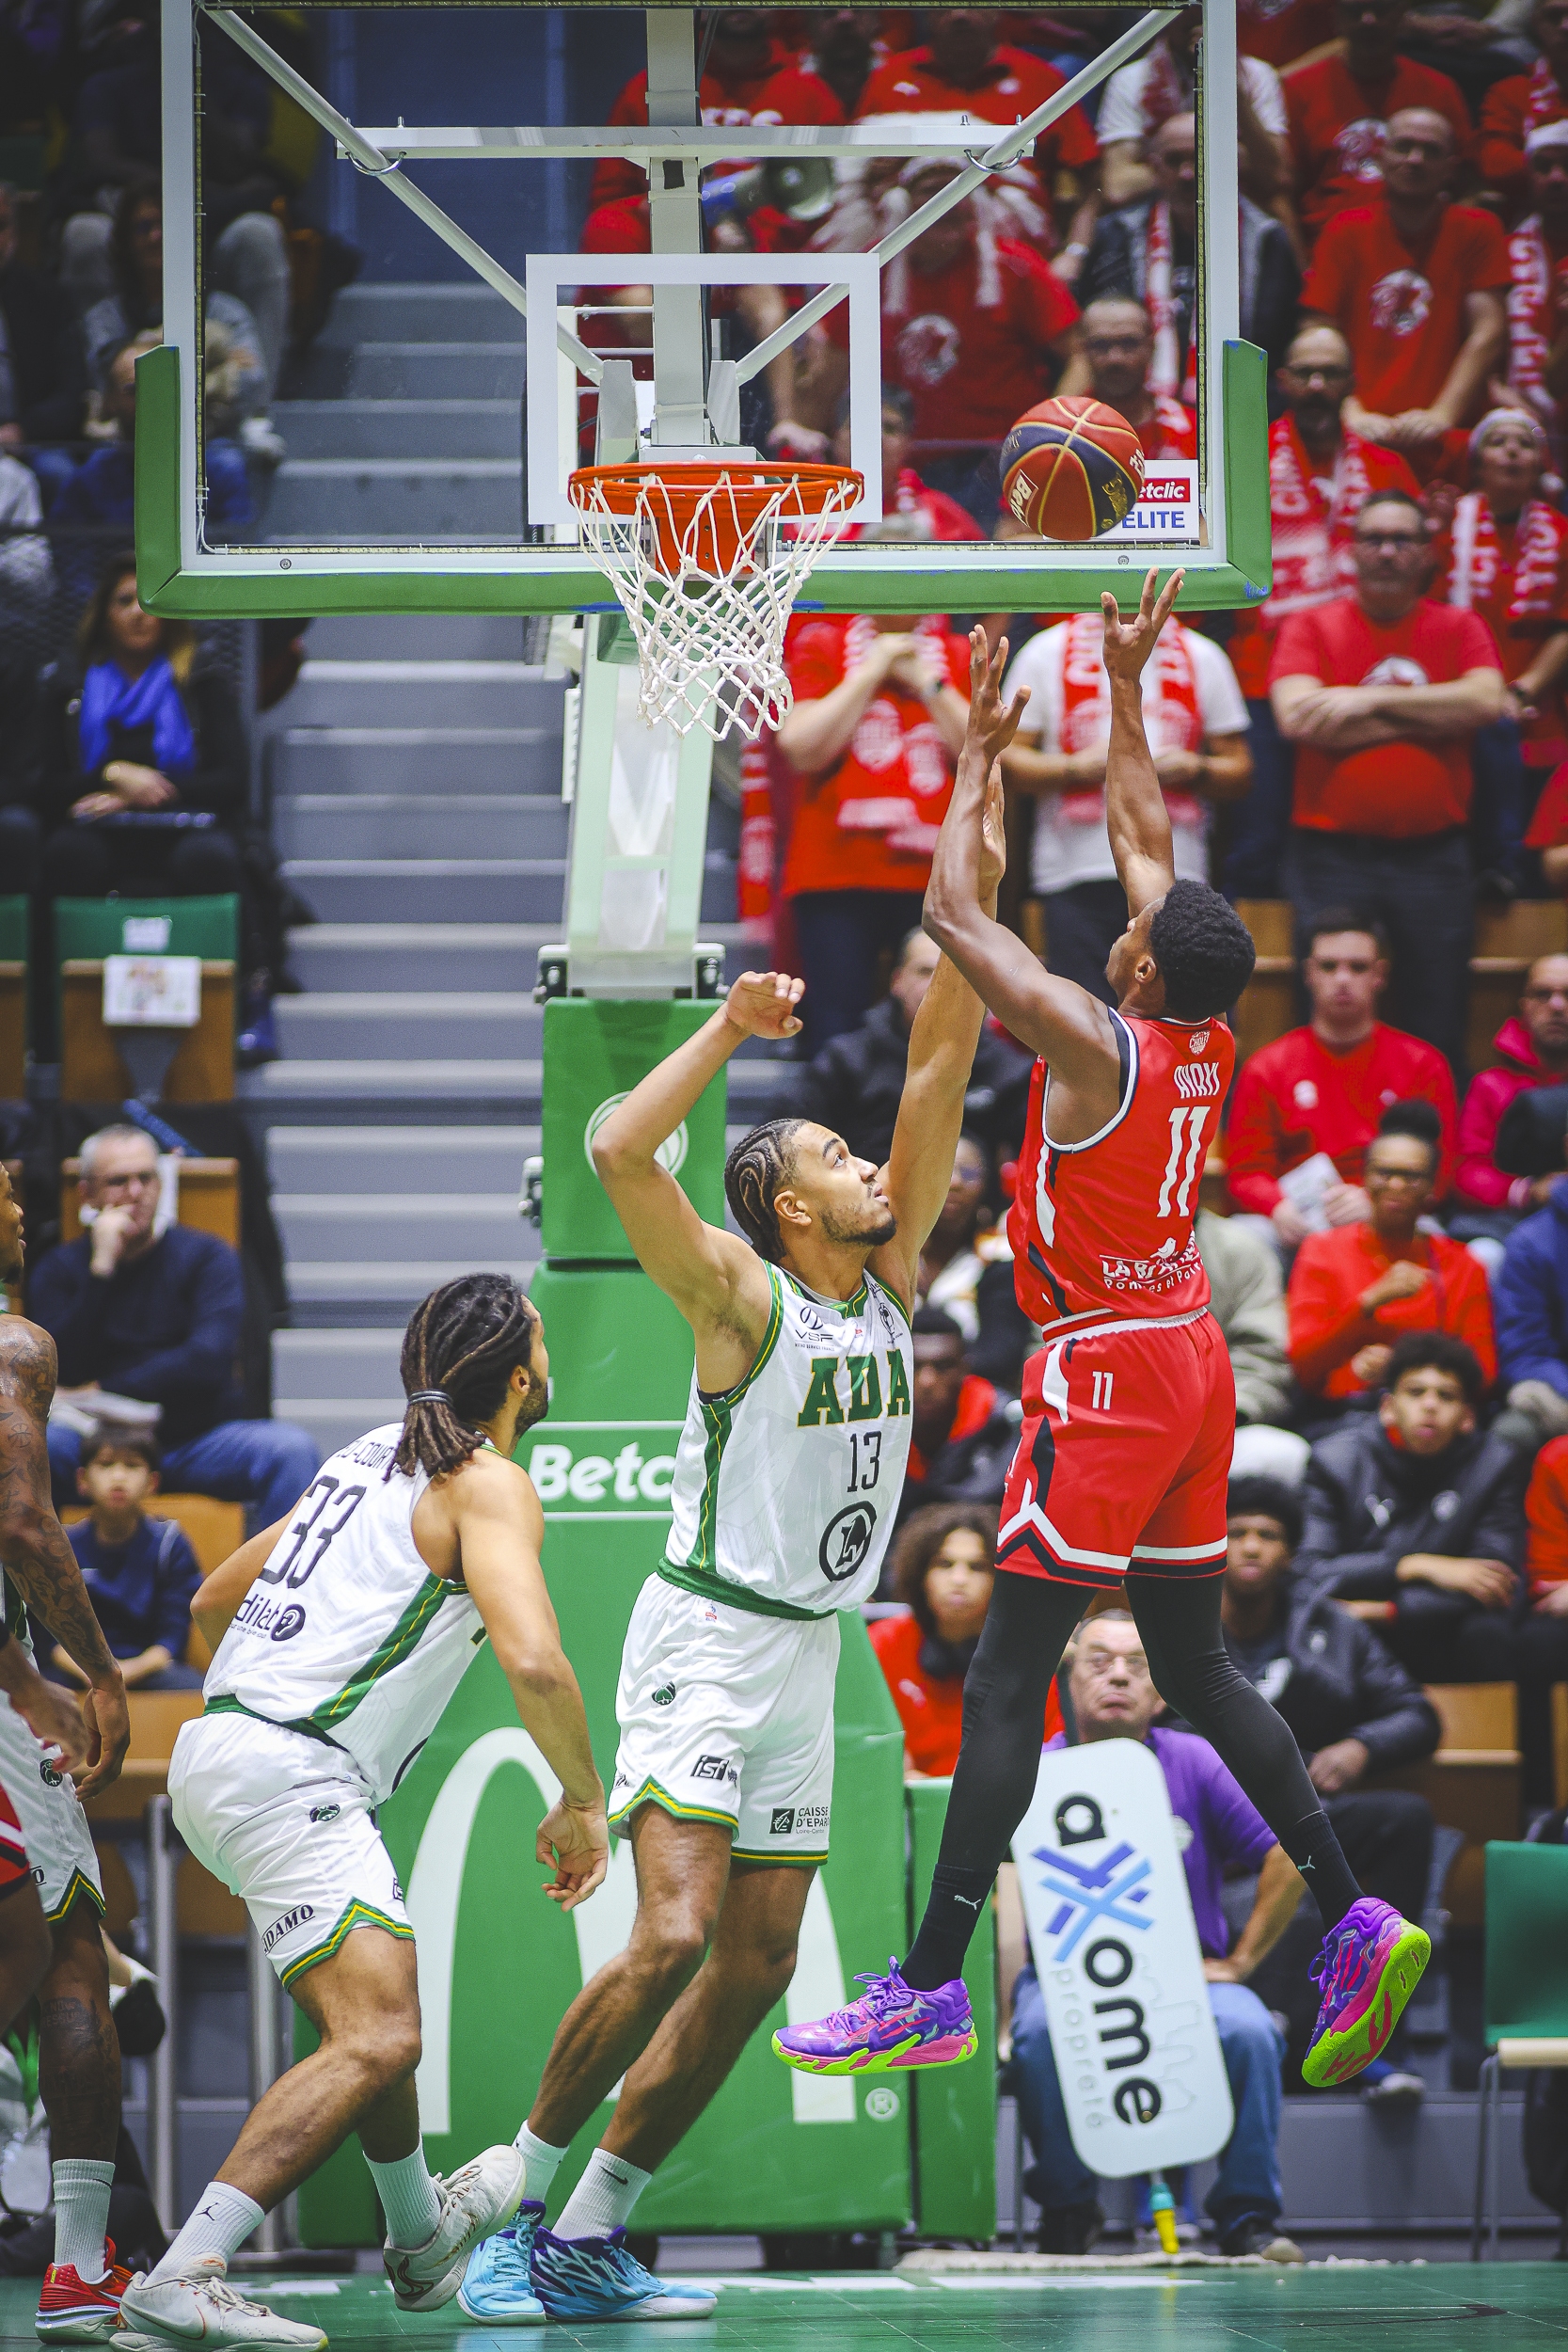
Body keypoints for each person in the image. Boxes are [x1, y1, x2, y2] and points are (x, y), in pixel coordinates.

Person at [774, 573, 1430, 2095]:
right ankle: (1349, 1912)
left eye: (1132, 926)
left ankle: (928, 1984)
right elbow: (1151, 838)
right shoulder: (1202, 1021)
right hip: (1192, 1351)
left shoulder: (1093, 1034)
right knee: (1197, 1662)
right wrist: (1129, 689)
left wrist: (981, 755)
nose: (1126, 917)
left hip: (1110, 1364)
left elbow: (952, 920)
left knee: (1012, 1679)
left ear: (1136, 962)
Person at [457, 739, 1001, 2324]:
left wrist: (974, 778)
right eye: (830, 1158)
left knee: (757, 1966)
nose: (866, 1160)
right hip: (703, 1636)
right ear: (782, 1206)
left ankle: (598, 2233)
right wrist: (727, 1024)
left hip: (804, 1655)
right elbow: (617, 1151)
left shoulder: (884, 1279)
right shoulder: (737, 1293)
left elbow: (945, 1044)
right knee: (675, 1931)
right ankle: (513, 2193)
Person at [110, 1277, 607, 2352]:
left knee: (376, 2019)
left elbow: (209, 1602)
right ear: (521, 1375)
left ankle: (422, 2239)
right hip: (295, 1767)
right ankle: (185, 2269)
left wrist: (267, 1713)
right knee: (380, 2032)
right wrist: (581, 1798)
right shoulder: (488, 1484)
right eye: (542, 1340)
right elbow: (533, 1658)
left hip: (226, 1747)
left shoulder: (364, 1455)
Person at [1010, 1611, 1307, 2263]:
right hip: (1063, 1979)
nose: (1117, 1673)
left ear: (1162, 1688)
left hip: (1190, 1971)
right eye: (1098, 1660)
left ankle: (1247, 2216)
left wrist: (1242, 1959)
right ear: (1066, 1676)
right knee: (1033, 2039)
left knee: (1249, 2031)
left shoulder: (1195, 1760)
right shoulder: (1029, 1772)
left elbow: (1289, 1850)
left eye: (1137, 1662)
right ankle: (1066, 2208)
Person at [0, 1162, 136, 2343]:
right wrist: (88, 1669)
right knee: (72, 1962)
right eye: (3, 1192)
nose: (22, 1210)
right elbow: (24, 1516)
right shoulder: (12, 1343)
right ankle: (83, 2263)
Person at [1270, 489, 1506, 1072]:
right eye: (1374, 538)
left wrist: (1356, 703)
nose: (1388, 552)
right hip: (1331, 857)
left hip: (1435, 860)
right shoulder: (1311, 625)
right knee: (1325, 1010)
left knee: (1437, 1009)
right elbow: (1296, 716)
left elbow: (1485, 700)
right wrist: (1427, 717)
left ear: (1427, 553)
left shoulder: (1459, 625)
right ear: (1352, 551)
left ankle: (1430, 1155)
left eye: (1403, 539)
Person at [1222, 1474, 1438, 2104]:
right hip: (1215, 1816)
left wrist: (1359, 1746)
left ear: (1289, 1552)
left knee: (1403, 1818)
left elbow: (1415, 1712)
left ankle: (1372, 2027)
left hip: (1308, 1810)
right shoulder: (1181, 1621)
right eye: (1236, 1533)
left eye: (1268, 1535)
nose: (1252, 1547)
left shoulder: (1330, 1625)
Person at [28, 1124, 319, 1530]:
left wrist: (102, 1388)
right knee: (31, 1448)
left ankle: (279, 1592)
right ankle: (38, 1591)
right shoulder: (59, 1270)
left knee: (290, 1450)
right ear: (87, 1194)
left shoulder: (207, 1257)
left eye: (146, 1178)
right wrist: (101, 1270)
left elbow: (206, 1359)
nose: (135, 1193)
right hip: (95, 1447)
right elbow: (62, 1366)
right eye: (118, 1181)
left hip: (190, 1441)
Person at [1223, 326, 1421, 897]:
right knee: (1258, 838)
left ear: (1350, 384)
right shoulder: (1243, 463)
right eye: (1304, 373)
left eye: (1329, 373)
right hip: (1262, 672)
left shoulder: (1386, 468)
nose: (1316, 386)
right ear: (1282, 382)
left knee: (1350, 827)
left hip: (1360, 671)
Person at [1001, 603, 1253, 1001]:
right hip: (1072, 870)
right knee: (1081, 1014)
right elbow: (1006, 760)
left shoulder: (1202, 654)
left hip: (1180, 875)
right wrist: (1072, 768)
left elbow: (1241, 770)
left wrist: (1195, 767)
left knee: (1176, 1008)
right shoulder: (1045, 651)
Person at [821, 156, 1078, 521]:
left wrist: (1052, 434)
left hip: (998, 463)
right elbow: (830, 368)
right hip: (893, 465)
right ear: (903, 204)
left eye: (959, 192)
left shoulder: (1014, 266)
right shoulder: (869, 272)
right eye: (933, 193)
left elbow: (1078, 353)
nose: (948, 204)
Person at [776, 615, 971, 1058]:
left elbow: (983, 749)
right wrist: (871, 670)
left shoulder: (956, 652)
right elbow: (801, 747)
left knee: (940, 1021)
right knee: (834, 1025)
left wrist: (926, 680)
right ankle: (824, 1130)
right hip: (836, 870)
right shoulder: (823, 645)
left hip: (934, 874)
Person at [1293, 1331, 1528, 1686]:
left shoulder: (1494, 1466)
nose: (1430, 1405)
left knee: (1490, 1633)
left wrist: (1390, 1612)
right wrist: (1410, 1566)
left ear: (1467, 1417)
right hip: (1350, 1624)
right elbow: (1309, 1573)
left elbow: (1495, 1582)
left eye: (1446, 1396)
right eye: (1416, 1392)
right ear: (1388, 1407)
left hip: (1432, 1626)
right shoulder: (1335, 1461)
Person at [1226, 913, 1460, 1245]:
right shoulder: (1267, 1067)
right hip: (1297, 1224)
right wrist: (1277, 1207)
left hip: (1388, 1216)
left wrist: (1376, 1199)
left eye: (1358, 967)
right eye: (1329, 966)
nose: (1343, 979)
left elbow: (1439, 1172)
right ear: (1309, 973)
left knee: (1439, 1239)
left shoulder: (1424, 1065)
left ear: (1380, 975)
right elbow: (1245, 1172)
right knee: (1242, 1238)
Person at [1301, 111, 1510, 460]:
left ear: (1451, 166)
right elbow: (1318, 331)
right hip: (1359, 434)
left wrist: (1442, 414)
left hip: (1447, 438)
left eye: (1430, 150)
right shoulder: (1344, 231)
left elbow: (1488, 331)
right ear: (1381, 157)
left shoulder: (1479, 230)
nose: (1415, 159)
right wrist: (1350, 412)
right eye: (1404, 147)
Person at [1077, 114, 1302, 396]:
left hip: (1239, 405)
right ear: (1154, 167)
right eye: (1173, 160)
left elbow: (1281, 337)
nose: (1187, 174)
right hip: (1137, 410)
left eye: (1199, 159)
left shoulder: (1267, 239)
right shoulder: (1116, 234)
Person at [1434, 408, 1568, 880]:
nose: (1512, 451)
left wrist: (1523, 690)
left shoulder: (1562, 532)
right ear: (1477, 463)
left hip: (1535, 704)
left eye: (1524, 443)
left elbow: (1563, 627)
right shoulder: (1448, 527)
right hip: (1463, 696)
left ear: (1540, 463)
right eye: (1498, 442)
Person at [1287, 1118, 1496, 1402]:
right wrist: (1369, 1302)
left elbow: (1484, 1372)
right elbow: (1303, 1365)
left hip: (1435, 1414)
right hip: (1344, 1412)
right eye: (1384, 1173)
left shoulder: (1463, 1265)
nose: (1396, 1185)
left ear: (1432, 1187)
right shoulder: (1321, 1250)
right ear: (1364, 1178)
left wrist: (1403, 1367)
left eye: (1411, 1177)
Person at [853, 8, 1100, 246]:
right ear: (926, 12)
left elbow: (1089, 178)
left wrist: (1074, 252)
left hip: (1018, 256)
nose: (960, 14)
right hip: (905, 254)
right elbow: (854, 177)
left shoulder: (1042, 80)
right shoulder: (888, 78)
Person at [789, 930, 1031, 1173]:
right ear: (897, 981)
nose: (938, 985)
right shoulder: (843, 1061)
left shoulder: (1008, 1069)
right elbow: (790, 1148)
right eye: (925, 972)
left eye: (956, 973)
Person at [590, 8, 846, 211]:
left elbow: (828, 197)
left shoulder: (810, 92)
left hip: (776, 257)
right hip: (673, 244)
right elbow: (611, 198)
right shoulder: (650, 90)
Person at [1283, 0, 1473, 246]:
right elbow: (1284, 194)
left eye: (1381, 10)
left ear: (1403, 17)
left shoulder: (1439, 90)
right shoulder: (1299, 90)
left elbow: (1469, 185)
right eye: (1355, 11)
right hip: (1325, 249)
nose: (1368, 20)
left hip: (1420, 250)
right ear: (1336, 20)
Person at [1094, 4, 1291, 216]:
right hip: (1157, 209)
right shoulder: (1130, 80)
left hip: (1234, 204)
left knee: (1279, 208)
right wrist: (1227, 160)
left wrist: (1230, 86)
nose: (1195, 13)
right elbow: (1119, 185)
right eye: (1184, 7)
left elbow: (1275, 175)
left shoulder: (1257, 75)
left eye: (1204, 6)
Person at [44, 1431, 201, 1692]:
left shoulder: (170, 1543)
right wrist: (98, 1674)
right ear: (82, 1480)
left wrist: (122, 1674)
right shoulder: (60, 1545)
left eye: (132, 1465)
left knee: (202, 1694)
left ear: (152, 1483)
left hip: (148, 1669)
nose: (118, 1477)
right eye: (105, 1465)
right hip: (77, 1670)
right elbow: (49, 1639)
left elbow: (171, 1639)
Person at [871, 1503, 998, 1775]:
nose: (959, 1579)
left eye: (977, 1567)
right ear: (921, 1574)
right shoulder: (881, 1644)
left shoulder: (1024, 1658)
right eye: (944, 1564)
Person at [914, 1130, 1037, 1392]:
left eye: (968, 1174)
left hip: (973, 1401)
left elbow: (1000, 1356)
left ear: (985, 1185)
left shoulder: (1000, 1256)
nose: (955, 1183)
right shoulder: (889, 1251)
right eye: (944, 1170)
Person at [1456, 953, 1568, 1216]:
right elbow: (1467, 1174)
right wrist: (1530, 1191)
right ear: (1525, 1006)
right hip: (1513, 1222)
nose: (1557, 1005)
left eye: (1567, 994)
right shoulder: (1490, 1085)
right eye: (1542, 994)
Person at [0, 179, 86, 510]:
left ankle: (64, 564)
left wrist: (23, 429)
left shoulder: (48, 297)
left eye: (1, 225)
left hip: (32, 440)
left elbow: (74, 391)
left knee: (60, 473)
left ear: (16, 231)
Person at [899, 1305, 1017, 1526]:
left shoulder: (1005, 1425)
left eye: (942, 1366)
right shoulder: (873, 1427)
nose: (927, 1381)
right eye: (913, 1365)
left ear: (965, 1368)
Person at [1499, 122, 1568, 453]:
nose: (1558, 178)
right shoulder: (1500, 254)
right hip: (1521, 428)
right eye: (1545, 167)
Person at [1064, 297, 1197, 468]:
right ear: (1082, 349)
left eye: (1129, 343)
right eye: (1100, 344)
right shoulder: (1061, 434)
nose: (1115, 358)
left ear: (1151, 346)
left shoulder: (1194, 432)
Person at [1195, 1207, 1294, 1430]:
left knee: (1282, 1454)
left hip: (1217, 1423)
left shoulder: (1239, 1248)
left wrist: (1226, 1415)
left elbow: (1263, 1356)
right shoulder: (1101, 1242)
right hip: (1113, 1420)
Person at [1477, 0, 1568, 209]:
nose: (1566, 26)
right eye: (1554, 16)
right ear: (1536, 23)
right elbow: (1497, 166)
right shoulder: (1509, 93)